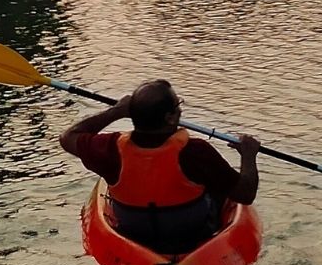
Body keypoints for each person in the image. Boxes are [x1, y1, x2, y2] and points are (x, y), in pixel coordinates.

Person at [59, 79, 260, 256]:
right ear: (170, 118)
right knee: (217, 187)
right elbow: (245, 194)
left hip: (136, 236)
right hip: (193, 237)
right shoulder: (195, 152)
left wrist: (116, 111)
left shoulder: (111, 150)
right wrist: (248, 156)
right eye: (177, 105)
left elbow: (68, 138)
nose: (180, 110)